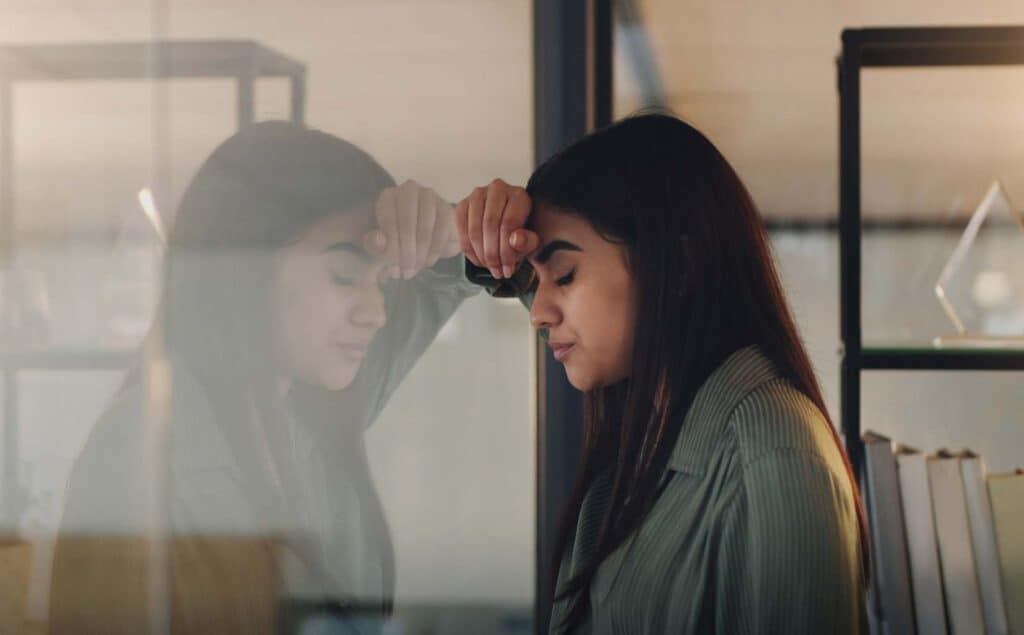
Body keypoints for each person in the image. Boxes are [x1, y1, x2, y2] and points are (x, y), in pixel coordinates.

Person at [49, 121, 478, 633]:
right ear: (244, 270)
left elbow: (463, 268)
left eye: (382, 283)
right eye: (344, 276)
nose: (376, 313)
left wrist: (445, 228)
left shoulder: (311, 410)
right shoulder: (139, 455)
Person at [456, 111, 867, 634]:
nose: (539, 311)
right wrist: (481, 237)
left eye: (563, 275)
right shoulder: (655, 430)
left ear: (675, 266)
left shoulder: (772, 454)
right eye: (535, 282)